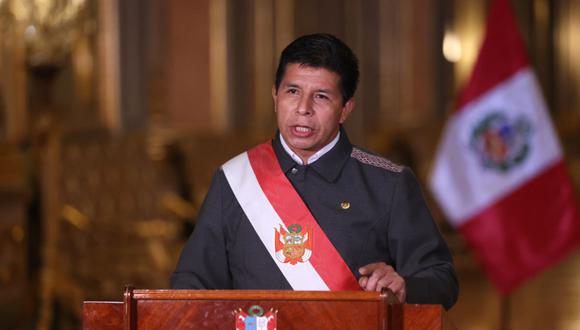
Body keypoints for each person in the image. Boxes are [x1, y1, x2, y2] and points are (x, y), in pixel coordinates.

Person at [171, 33, 458, 310]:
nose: (303, 109)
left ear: (345, 109)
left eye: (321, 97)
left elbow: (443, 281)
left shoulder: (388, 182)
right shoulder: (234, 178)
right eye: (292, 91)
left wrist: (405, 286)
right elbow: (191, 284)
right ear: (275, 96)